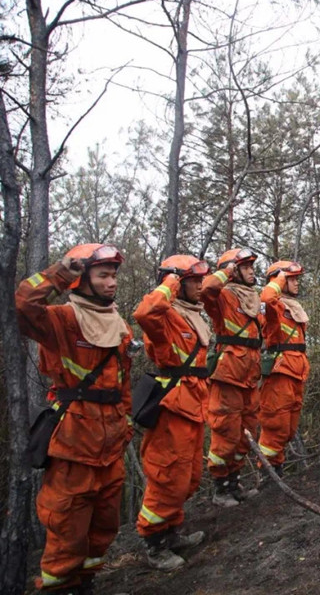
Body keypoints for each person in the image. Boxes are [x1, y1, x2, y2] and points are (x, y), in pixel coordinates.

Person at [16, 244, 133, 593]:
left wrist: (125, 422)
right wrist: (59, 271)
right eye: (103, 276)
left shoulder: (117, 323)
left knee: (104, 524)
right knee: (67, 524)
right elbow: (24, 303)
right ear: (82, 280)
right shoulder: (62, 320)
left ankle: (85, 583)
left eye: (113, 276)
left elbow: (122, 381)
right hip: (73, 442)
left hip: (111, 440)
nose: (112, 283)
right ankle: (59, 587)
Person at [133, 255, 211, 570]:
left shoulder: (194, 314)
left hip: (193, 403)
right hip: (173, 407)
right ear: (177, 282)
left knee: (188, 476)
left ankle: (172, 531)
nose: (200, 286)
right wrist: (169, 282)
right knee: (168, 476)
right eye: (193, 280)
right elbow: (144, 312)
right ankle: (154, 544)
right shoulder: (164, 316)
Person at [201, 248, 265, 506]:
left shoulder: (253, 298)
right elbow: (206, 290)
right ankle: (220, 489)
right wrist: (227, 269)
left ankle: (234, 482)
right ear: (235, 270)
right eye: (246, 267)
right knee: (225, 432)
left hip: (250, 375)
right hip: (228, 375)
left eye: (252, 266)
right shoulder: (223, 297)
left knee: (246, 432)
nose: (251, 271)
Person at [258, 261, 310, 477]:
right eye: (292, 279)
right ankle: (268, 473)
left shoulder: (293, 307)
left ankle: (276, 467)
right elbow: (267, 298)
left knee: (288, 428)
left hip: (296, 370)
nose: (296, 283)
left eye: (297, 278)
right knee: (275, 425)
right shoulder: (273, 306)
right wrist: (279, 278)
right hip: (280, 372)